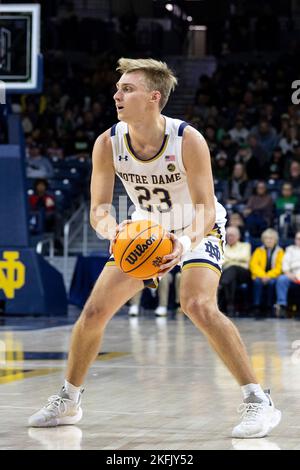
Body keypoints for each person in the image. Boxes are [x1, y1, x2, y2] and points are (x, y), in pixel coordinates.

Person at [29, 58, 281, 438]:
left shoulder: (187, 139)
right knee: (95, 310)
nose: (117, 94)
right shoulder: (107, 143)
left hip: (197, 227)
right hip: (147, 230)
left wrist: (182, 243)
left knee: (196, 304)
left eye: (127, 89)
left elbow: (205, 207)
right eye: (118, 89)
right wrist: (114, 230)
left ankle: (258, 401)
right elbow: (99, 208)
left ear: (153, 98)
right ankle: (68, 399)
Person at [250, 229, 284, 317]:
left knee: (272, 283)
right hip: (260, 276)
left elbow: (279, 268)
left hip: (273, 276)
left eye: (271, 238)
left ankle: (269, 307)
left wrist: (268, 276)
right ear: (263, 240)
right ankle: (256, 306)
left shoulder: (280, 252)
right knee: (257, 282)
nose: (269, 240)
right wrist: (263, 276)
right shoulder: (258, 250)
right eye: (266, 238)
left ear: (275, 240)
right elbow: (253, 265)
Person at [219, 226, 251, 316]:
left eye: (232, 235)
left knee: (232, 268)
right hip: (228, 274)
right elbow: (221, 261)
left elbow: (245, 257)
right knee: (231, 279)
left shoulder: (245, 246)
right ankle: (230, 306)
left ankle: (221, 284)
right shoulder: (222, 247)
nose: (230, 237)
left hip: (243, 273)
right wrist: (236, 258)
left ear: (238, 236)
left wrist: (228, 258)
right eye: (228, 235)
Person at [275, 231, 300, 318]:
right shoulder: (290, 250)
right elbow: (285, 265)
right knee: (282, 279)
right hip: (292, 275)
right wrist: (289, 274)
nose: (299, 240)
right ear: (295, 240)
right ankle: (282, 305)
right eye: (298, 239)